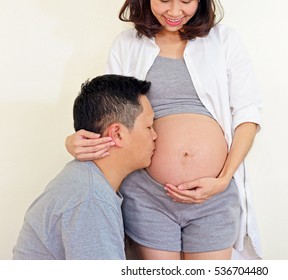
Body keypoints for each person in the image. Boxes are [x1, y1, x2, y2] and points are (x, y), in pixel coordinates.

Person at [65, 0, 262, 260]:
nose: (174, 11)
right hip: (147, 195)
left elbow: (247, 115)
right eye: (164, 0)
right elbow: (109, 112)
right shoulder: (127, 44)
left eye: (186, 1)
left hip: (213, 195)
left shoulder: (225, 40)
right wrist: (75, 140)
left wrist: (223, 180)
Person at [13, 74, 157, 260]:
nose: (155, 136)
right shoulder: (90, 198)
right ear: (118, 134)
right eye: (149, 126)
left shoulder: (85, 180)